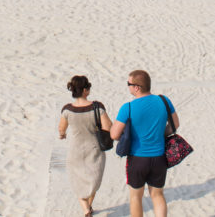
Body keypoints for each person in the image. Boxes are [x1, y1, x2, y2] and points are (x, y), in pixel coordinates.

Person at [111, 70, 179, 217]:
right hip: (159, 157)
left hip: (137, 158)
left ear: (137, 87)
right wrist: (160, 134)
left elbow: (114, 134)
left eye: (129, 84)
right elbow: (175, 125)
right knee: (158, 194)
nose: (128, 87)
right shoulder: (164, 100)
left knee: (136, 197)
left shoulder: (127, 107)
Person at [58, 75, 110, 217]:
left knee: (78, 182)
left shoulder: (67, 110)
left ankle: (86, 208)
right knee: (94, 181)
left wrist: (63, 135)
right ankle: (88, 208)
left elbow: (61, 129)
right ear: (86, 90)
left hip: (75, 150)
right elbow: (108, 127)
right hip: (94, 149)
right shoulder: (97, 108)